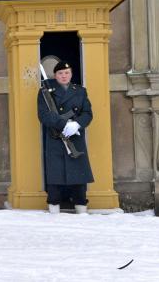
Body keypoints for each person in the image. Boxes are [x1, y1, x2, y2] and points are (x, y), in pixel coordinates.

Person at [37, 60, 94, 214]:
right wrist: (63, 125)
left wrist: (76, 125)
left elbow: (87, 113)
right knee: (55, 176)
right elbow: (44, 115)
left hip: (75, 137)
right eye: (60, 73)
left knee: (78, 175)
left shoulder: (80, 91)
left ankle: (81, 207)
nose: (64, 76)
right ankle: (54, 207)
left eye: (67, 73)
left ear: (71, 74)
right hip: (56, 138)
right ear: (55, 75)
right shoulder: (45, 91)